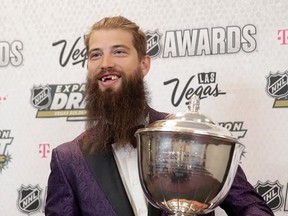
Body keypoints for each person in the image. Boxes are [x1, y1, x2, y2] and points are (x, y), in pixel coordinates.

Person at [45, 16, 274, 216]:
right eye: (96, 54)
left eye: (119, 51)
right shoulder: (68, 160)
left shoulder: (190, 135)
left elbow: (251, 207)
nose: (106, 63)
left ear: (144, 64)